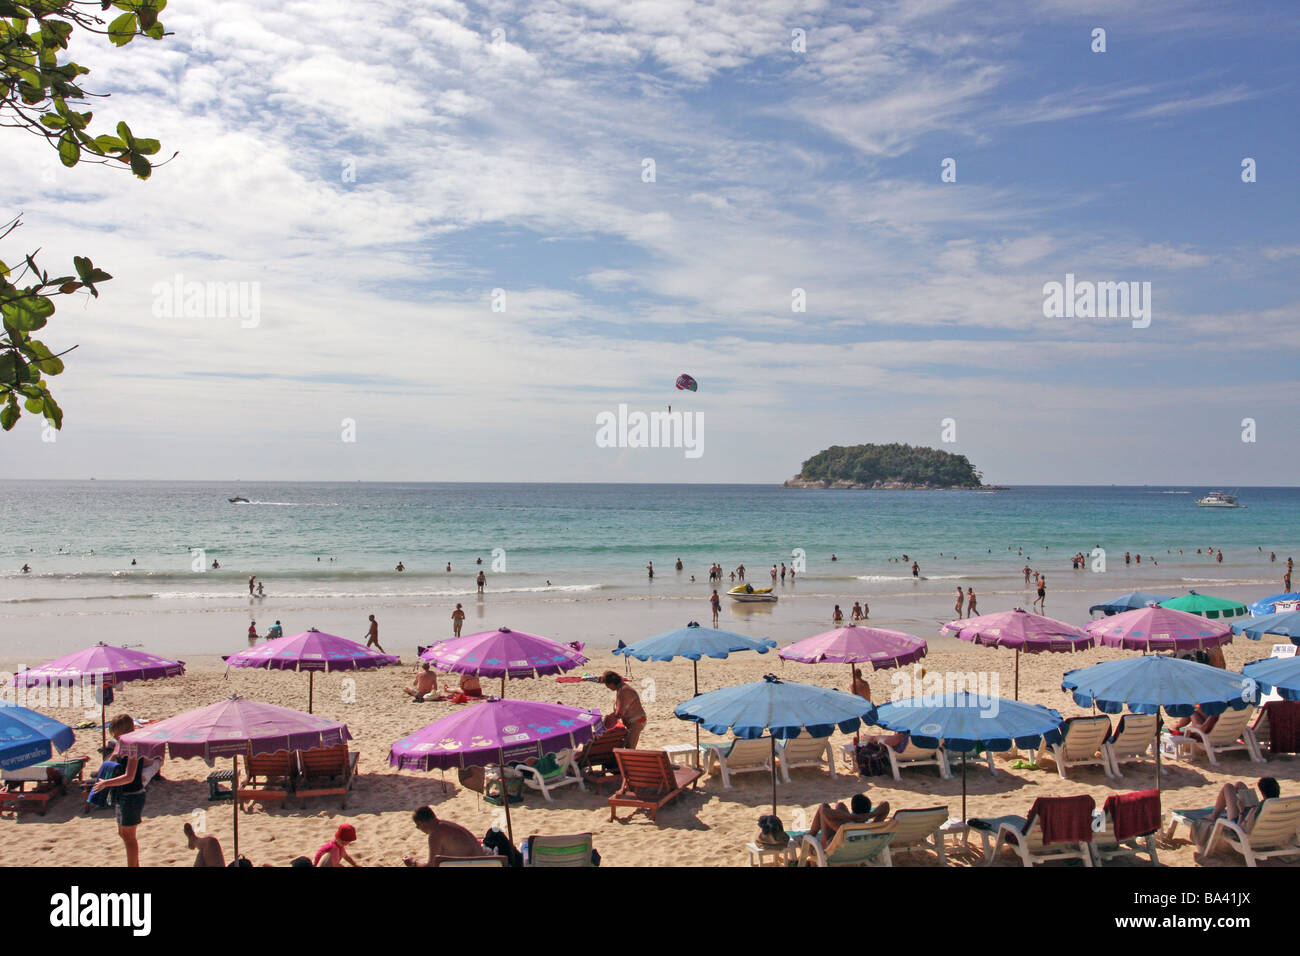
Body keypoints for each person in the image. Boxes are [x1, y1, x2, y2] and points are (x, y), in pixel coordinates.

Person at [91, 715, 148, 867]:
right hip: (123, 794)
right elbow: (109, 762)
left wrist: (106, 783)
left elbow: (129, 776)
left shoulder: (134, 746)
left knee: (129, 836)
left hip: (133, 795)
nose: (115, 736)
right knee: (123, 833)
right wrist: (116, 752)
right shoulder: (123, 744)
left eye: (117, 733)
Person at [1192, 778, 1281, 854]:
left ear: (1263, 793)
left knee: (1228, 787)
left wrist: (1241, 811)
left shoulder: (1259, 808)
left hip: (1239, 829)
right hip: (1262, 828)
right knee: (1239, 785)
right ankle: (1218, 812)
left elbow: (1241, 828)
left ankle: (1214, 815)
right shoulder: (1281, 805)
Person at [404, 806, 484, 865]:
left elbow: (431, 865)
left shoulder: (435, 834)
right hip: (484, 861)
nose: (419, 829)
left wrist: (413, 862)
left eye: (417, 827)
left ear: (421, 823)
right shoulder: (446, 825)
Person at [808, 794, 889, 844]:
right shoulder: (873, 826)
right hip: (859, 846)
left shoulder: (846, 826)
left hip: (833, 848)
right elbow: (885, 805)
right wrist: (869, 815)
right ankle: (811, 834)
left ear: (853, 809)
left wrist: (852, 817)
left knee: (823, 806)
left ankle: (811, 835)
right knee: (840, 805)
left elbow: (825, 812)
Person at [601, 671, 646, 748]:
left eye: (607, 685)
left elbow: (619, 712)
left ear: (612, 683)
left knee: (630, 747)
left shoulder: (623, 691)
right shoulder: (622, 688)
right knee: (627, 745)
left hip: (637, 721)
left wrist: (610, 718)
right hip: (635, 720)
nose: (608, 687)